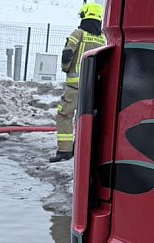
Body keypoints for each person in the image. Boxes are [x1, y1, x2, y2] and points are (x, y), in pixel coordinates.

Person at [49, 2, 107, 162]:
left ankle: (65, 151)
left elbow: (67, 54)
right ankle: (83, 149)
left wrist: (66, 68)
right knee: (86, 117)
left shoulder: (78, 33)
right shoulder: (103, 38)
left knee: (64, 114)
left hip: (75, 85)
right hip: (93, 87)